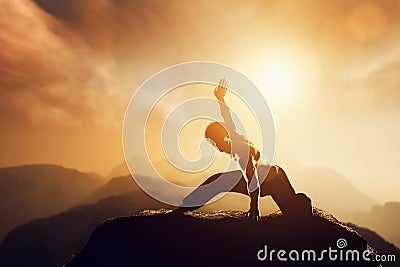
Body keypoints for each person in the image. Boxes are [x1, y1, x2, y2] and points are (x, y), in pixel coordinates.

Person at [175, 79, 312, 220]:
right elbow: (227, 117)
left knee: (218, 182)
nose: (215, 147)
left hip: (272, 180)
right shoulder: (232, 135)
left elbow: (252, 178)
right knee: (216, 181)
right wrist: (220, 98)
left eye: (214, 142)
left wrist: (254, 208)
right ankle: (185, 206)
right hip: (270, 176)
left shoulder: (241, 150)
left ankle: (303, 205)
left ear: (222, 138)